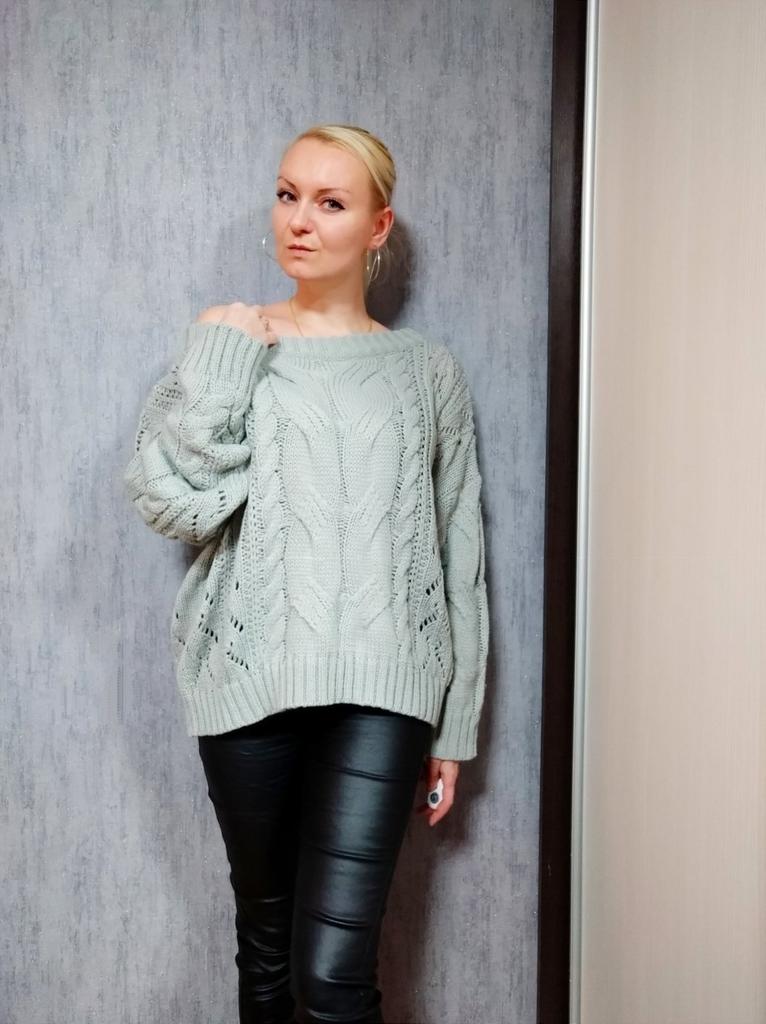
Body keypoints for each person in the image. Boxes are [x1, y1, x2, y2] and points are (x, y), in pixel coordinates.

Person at [123, 123, 490, 1024]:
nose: (300, 220)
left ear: (378, 227)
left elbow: (459, 549)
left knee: (331, 979)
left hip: (384, 690)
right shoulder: (229, 342)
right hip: (247, 681)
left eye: (331, 202)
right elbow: (170, 504)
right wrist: (222, 360)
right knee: (266, 959)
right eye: (288, 195)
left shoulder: (425, 371)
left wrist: (456, 722)